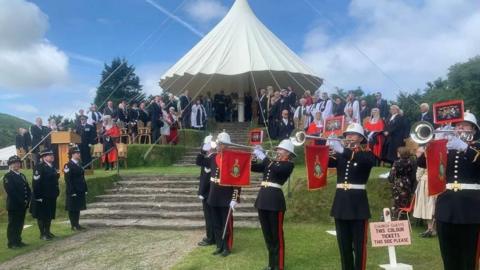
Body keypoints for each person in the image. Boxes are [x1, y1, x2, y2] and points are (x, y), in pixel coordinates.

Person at [417, 110, 480, 270]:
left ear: (473, 129)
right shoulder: (446, 147)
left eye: (464, 125)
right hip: (446, 206)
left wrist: (465, 148)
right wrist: (432, 144)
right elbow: (421, 163)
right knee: (448, 255)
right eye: (457, 125)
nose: (460, 128)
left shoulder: (476, 147)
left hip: (471, 207)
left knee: (469, 256)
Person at [327, 123, 376, 270]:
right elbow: (324, 163)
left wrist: (341, 150)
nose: (348, 137)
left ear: (361, 138)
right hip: (341, 204)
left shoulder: (366, 153)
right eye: (347, 134)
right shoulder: (341, 154)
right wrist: (324, 148)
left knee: (360, 245)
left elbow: (365, 161)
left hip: (358, 205)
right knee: (344, 245)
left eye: (352, 134)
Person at [252, 140, 295, 270]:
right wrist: (254, 157)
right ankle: (271, 264)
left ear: (287, 152)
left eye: (280, 149)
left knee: (277, 236)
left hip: (275, 202)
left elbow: (276, 170)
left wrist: (264, 156)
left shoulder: (288, 164)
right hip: (263, 200)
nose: (277, 151)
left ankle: (279, 265)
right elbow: (253, 168)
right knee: (268, 235)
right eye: (277, 149)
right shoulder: (271, 162)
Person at [204, 132, 241, 257]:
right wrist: (204, 147)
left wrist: (235, 198)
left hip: (226, 195)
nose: (218, 146)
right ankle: (219, 245)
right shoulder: (214, 157)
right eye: (218, 144)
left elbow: (237, 180)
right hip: (214, 194)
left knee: (227, 224)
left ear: (226, 145)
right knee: (216, 223)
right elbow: (199, 161)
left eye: (220, 144)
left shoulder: (233, 158)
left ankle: (227, 247)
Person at [30, 149, 60, 241]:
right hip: (42, 196)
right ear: (43, 157)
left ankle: (47, 232)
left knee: (49, 214)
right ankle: (42, 234)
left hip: (51, 195)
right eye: (49, 155)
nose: (52, 156)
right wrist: (38, 196)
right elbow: (36, 183)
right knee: (42, 215)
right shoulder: (39, 167)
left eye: (52, 154)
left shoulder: (52, 166)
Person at [3, 155, 31, 249]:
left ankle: (18, 240)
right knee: (13, 224)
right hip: (14, 205)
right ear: (10, 165)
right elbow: (11, 191)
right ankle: (12, 243)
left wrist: (28, 199)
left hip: (22, 205)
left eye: (18, 163)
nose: (17, 165)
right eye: (14, 163)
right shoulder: (8, 176)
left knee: (20, 223)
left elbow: (27, 188)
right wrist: (22, 201)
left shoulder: (22, 175)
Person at [195, 135, 215, 247]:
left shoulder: (211, 158)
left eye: (206, 146)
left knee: (209, 216)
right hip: (207, 191)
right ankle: (211, 236)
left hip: (208, 192)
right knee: (209, 216)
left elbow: (198, 160)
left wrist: (202, 192)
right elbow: (199, 161)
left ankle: (210, 237)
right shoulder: (209, 158)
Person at [412, 147, 437, 238]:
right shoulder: (440, 154)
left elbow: (418, 175)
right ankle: (432, 229)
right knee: (433, 206)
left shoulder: (425, 156)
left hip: (427, 182)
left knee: (428, 206)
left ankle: (430, 228)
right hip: (436, 182)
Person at [64, 145, 88, 231]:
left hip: (80, 189)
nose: (79, 154)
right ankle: (73, 225)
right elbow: (68, 180)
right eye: (77, 153)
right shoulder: (68, 165)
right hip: (73, 190)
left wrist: (85, 188)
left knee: (77, 208)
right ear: (72, 154)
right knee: (72, 208)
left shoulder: (79, 164)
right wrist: (72, 191)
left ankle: (77, 224)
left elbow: (82, 177)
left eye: (79, 153)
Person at [388, 147, 416, 218]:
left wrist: (391, 180)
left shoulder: (397, 162)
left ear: (400, 154)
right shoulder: (411, 162)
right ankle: (404, 218)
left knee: (396, 202)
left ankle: (395, 217)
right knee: (406, 202)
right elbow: (413, 175)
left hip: (399, 183)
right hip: (408, 183)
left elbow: (391, 176)